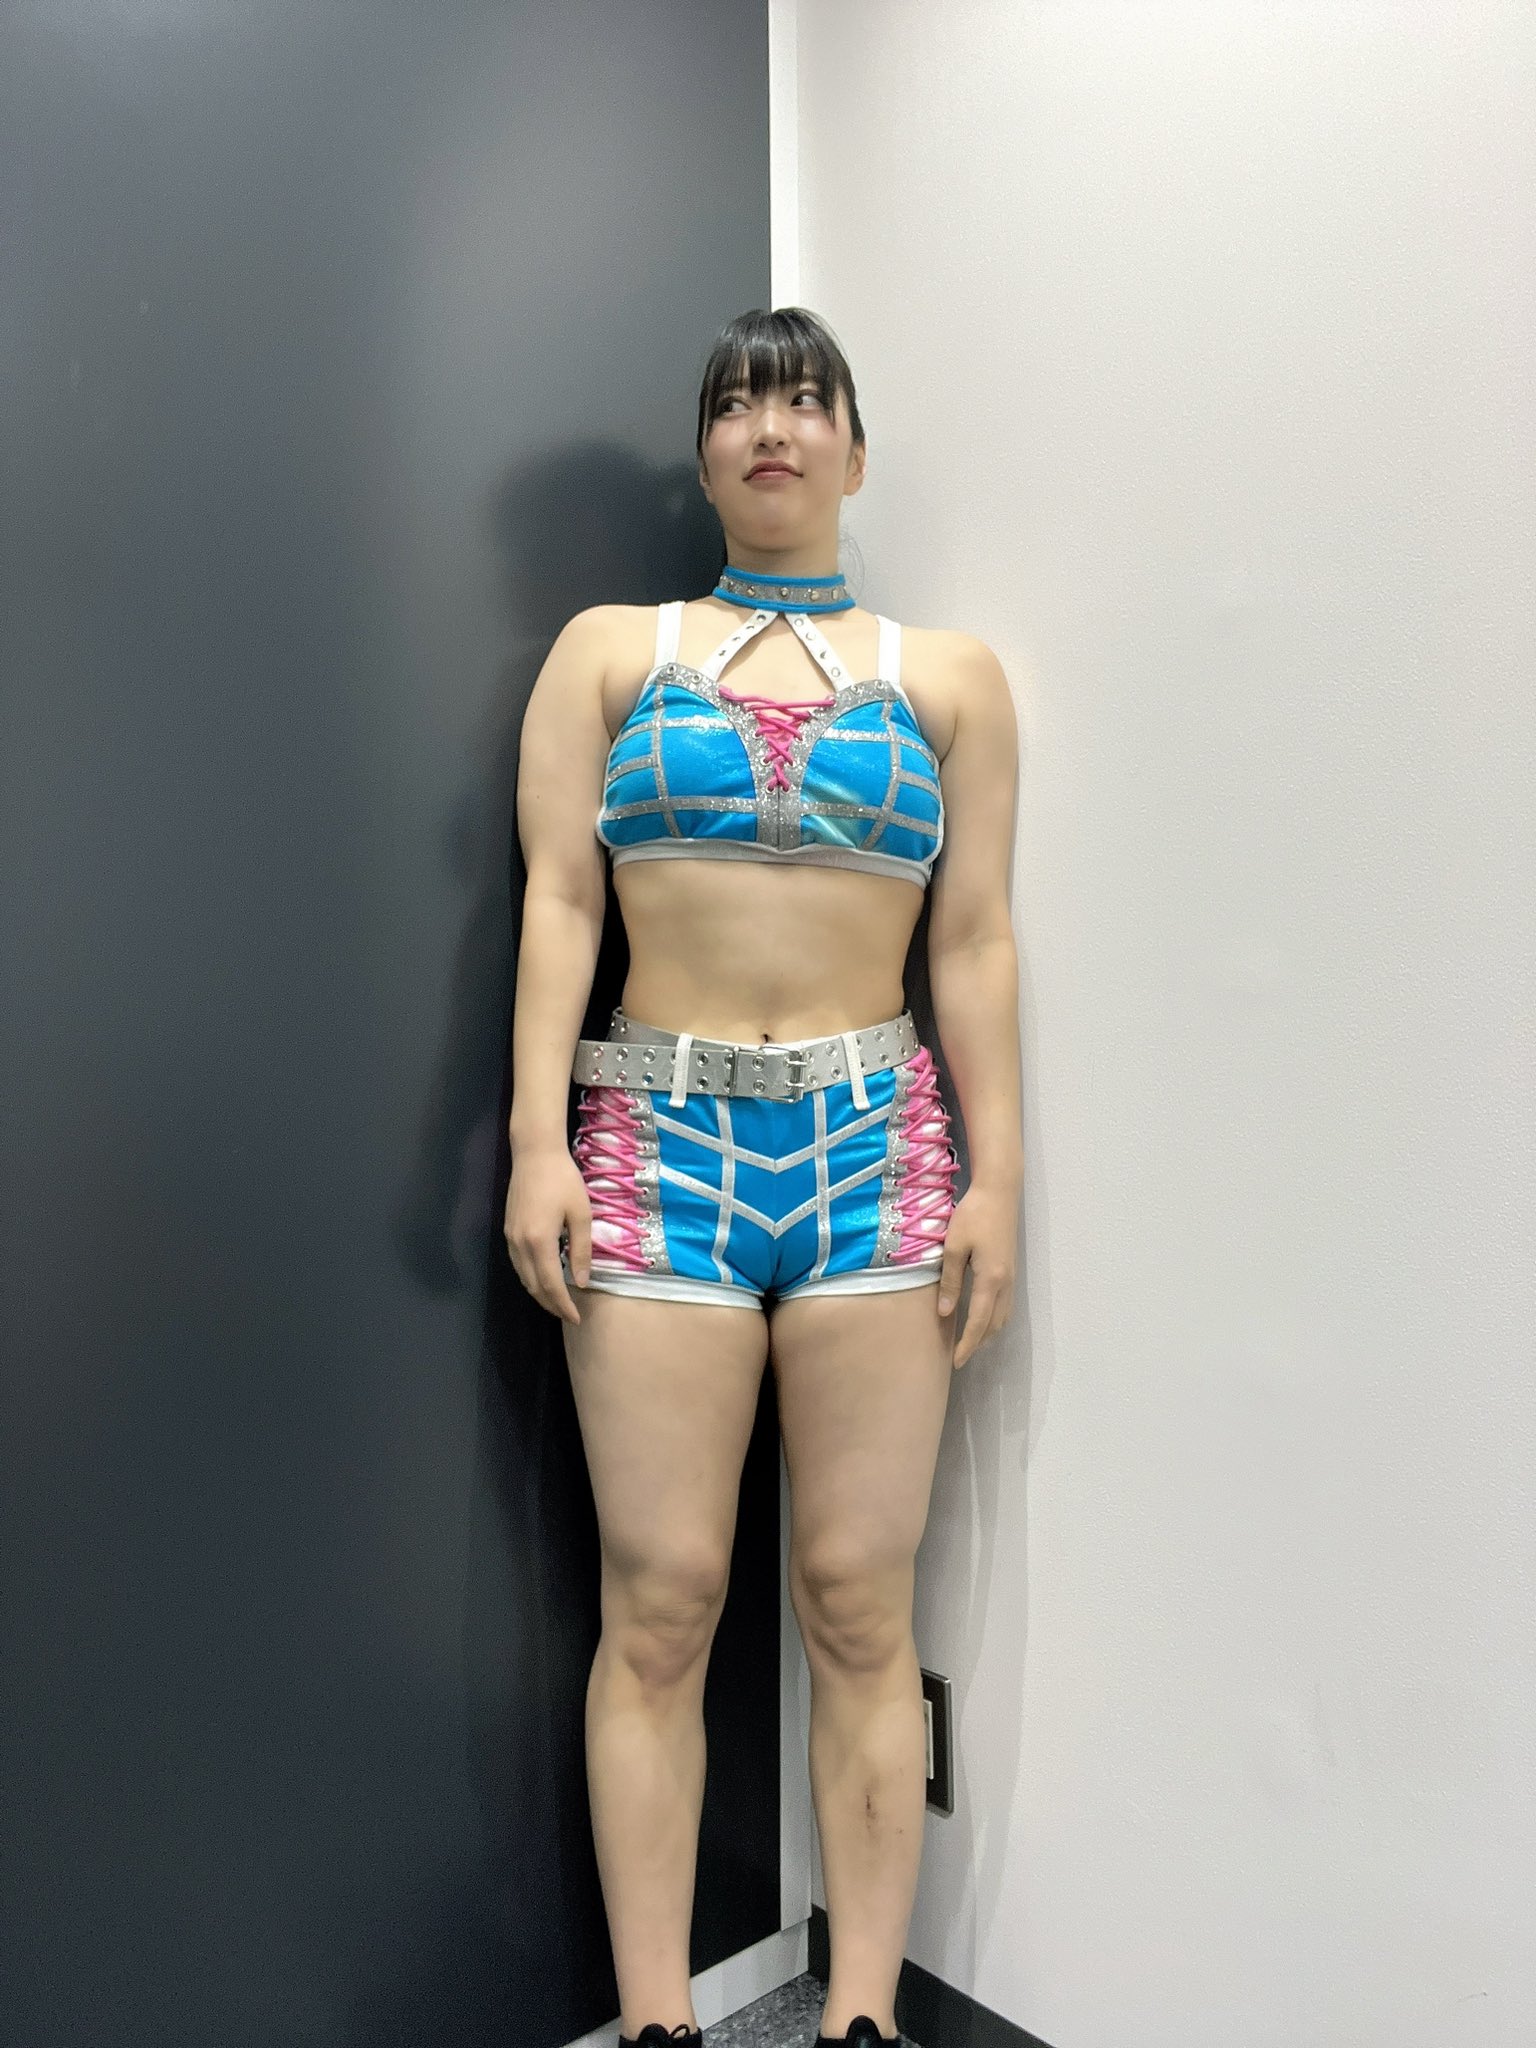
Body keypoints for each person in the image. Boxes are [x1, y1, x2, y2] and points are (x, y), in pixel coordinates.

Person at [504, 306, 1022, 2048]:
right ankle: (663, 2023)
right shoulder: (608, 654)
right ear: (707, 455)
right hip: (657, 1152)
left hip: (880, 1155)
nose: (771, 428)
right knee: (659, 1603)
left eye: (805, 401)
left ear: (854, 453)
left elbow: (975, 942)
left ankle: (860, 2018)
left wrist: (1000, 1181)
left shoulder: (949, 681)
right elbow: (561, 904)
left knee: (860, 1601)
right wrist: (534, 1143)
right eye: (738, 404)